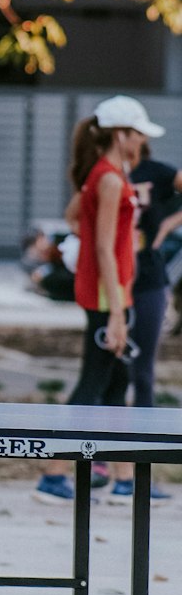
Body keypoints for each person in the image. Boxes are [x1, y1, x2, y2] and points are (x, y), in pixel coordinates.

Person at [35, 95, 169, 505]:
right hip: (106, 295)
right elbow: (107, 249)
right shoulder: (109, 178)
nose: (143, 143)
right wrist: (116, 312)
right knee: (93, 382)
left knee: (116, 384)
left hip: (109, 292)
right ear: (122, 134)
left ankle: (124, 481)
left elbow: (76, 215)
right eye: (139, 134)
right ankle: (53, 477)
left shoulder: (104, 175)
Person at [129, 145, 182, 410]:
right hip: (114, 278)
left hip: (148, 274)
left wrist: (169, 224)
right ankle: (102, 441)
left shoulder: (154, 171)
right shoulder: (105, 171)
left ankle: (141, 441)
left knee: (142, 369)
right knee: (112, 370)